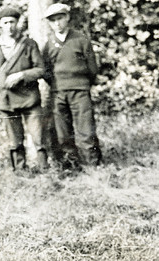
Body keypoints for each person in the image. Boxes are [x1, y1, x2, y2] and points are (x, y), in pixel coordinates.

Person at [0, 5, 48, 171]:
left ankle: (46, 172)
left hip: (30, 99)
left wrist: (21, 75)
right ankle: (20, 173)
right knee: (15, 141)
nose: (9, 26)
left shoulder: (28, 44)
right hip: (6, 100)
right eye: (5, 23)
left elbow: (41, 69)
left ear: (18, 23)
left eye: (12, 22)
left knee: (39, 138)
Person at [42, 3, 102, 168]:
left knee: (86, 130)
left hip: (80, 91)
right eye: (53, 20)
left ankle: (92, 166)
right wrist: (56, 84)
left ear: (67, 18)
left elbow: (92, 68)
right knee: (62, 133)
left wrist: (82, 83)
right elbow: (45, 71)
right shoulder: (48, 45)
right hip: (58, 93)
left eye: (60, 18)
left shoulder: (80, 39)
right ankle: (70, 167)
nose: (57, 23)